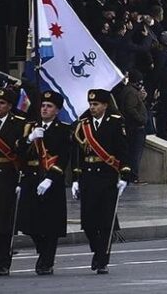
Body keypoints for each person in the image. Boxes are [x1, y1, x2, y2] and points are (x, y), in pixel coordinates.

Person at [72, 89, 132, 274]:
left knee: (105, 221)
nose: (92, 107)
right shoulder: (83, 124)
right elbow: (78, 154)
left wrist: (125, 175)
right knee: (89, 221)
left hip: (107, 175)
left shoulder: (115, 122)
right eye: (90, 104)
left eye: (96, 104)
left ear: (105, 105)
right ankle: (97, 250)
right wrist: (75, 178)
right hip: (89, 176)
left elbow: (123, 150)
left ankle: (102, 259)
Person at [16, 91, 71, 275]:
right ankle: (43, 251)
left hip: (51, 180)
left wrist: (50, 179)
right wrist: (30, 138)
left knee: (50, 224)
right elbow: (18, 152)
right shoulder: (31, 127)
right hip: (31, 178)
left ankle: (46, 260)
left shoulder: (63, 129)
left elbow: (64, 157)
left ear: (57, 110)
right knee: (29, 223)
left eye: (49, 106)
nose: (45, 109)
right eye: (43, 106)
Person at [0, 88, 28, 276]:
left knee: (4, 221)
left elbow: (21, 152)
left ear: (9, 106)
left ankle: (3, 259)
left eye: (2, 103)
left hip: (7, 175)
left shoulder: (19, 124)